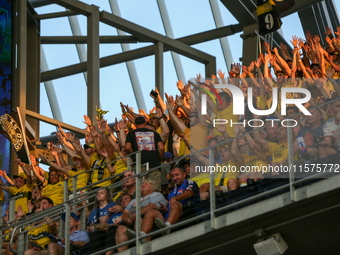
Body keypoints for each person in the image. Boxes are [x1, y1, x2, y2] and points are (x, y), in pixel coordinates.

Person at [115, 179, 167, 252]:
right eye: (141, 185)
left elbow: (152, 206)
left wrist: (136, 215)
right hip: (133, 221)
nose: (143, 185)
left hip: (151, 219)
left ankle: (143, 243)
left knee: (139, 219)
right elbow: (126, 211)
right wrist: (126, 218)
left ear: (153, 187)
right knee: (120, 228)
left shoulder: (156, 194)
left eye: (146, 184)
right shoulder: (134, 200)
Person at [154, 165, 200, 235]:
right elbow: (169, 205)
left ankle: (167, 227)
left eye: (177, 175)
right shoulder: (172, 191)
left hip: (187, 214)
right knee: (151, 212)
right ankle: (141, 236)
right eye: (172, 176)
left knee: (176, 204)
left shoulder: (190, 182)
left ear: (184, 174)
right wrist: (164, 208)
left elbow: (189, 193)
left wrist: (175, 198)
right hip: (168, 216)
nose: (174, 178)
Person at [125, 116, 164, 190]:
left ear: (135, 124)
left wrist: (134, 155)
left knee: (141, 190)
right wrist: (159, 159)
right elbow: (161, 148)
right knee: (155, 189)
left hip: (139, 164)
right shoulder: (154, 133)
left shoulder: (131, 134)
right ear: (145, 123)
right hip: (154, 164)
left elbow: (127, 147)